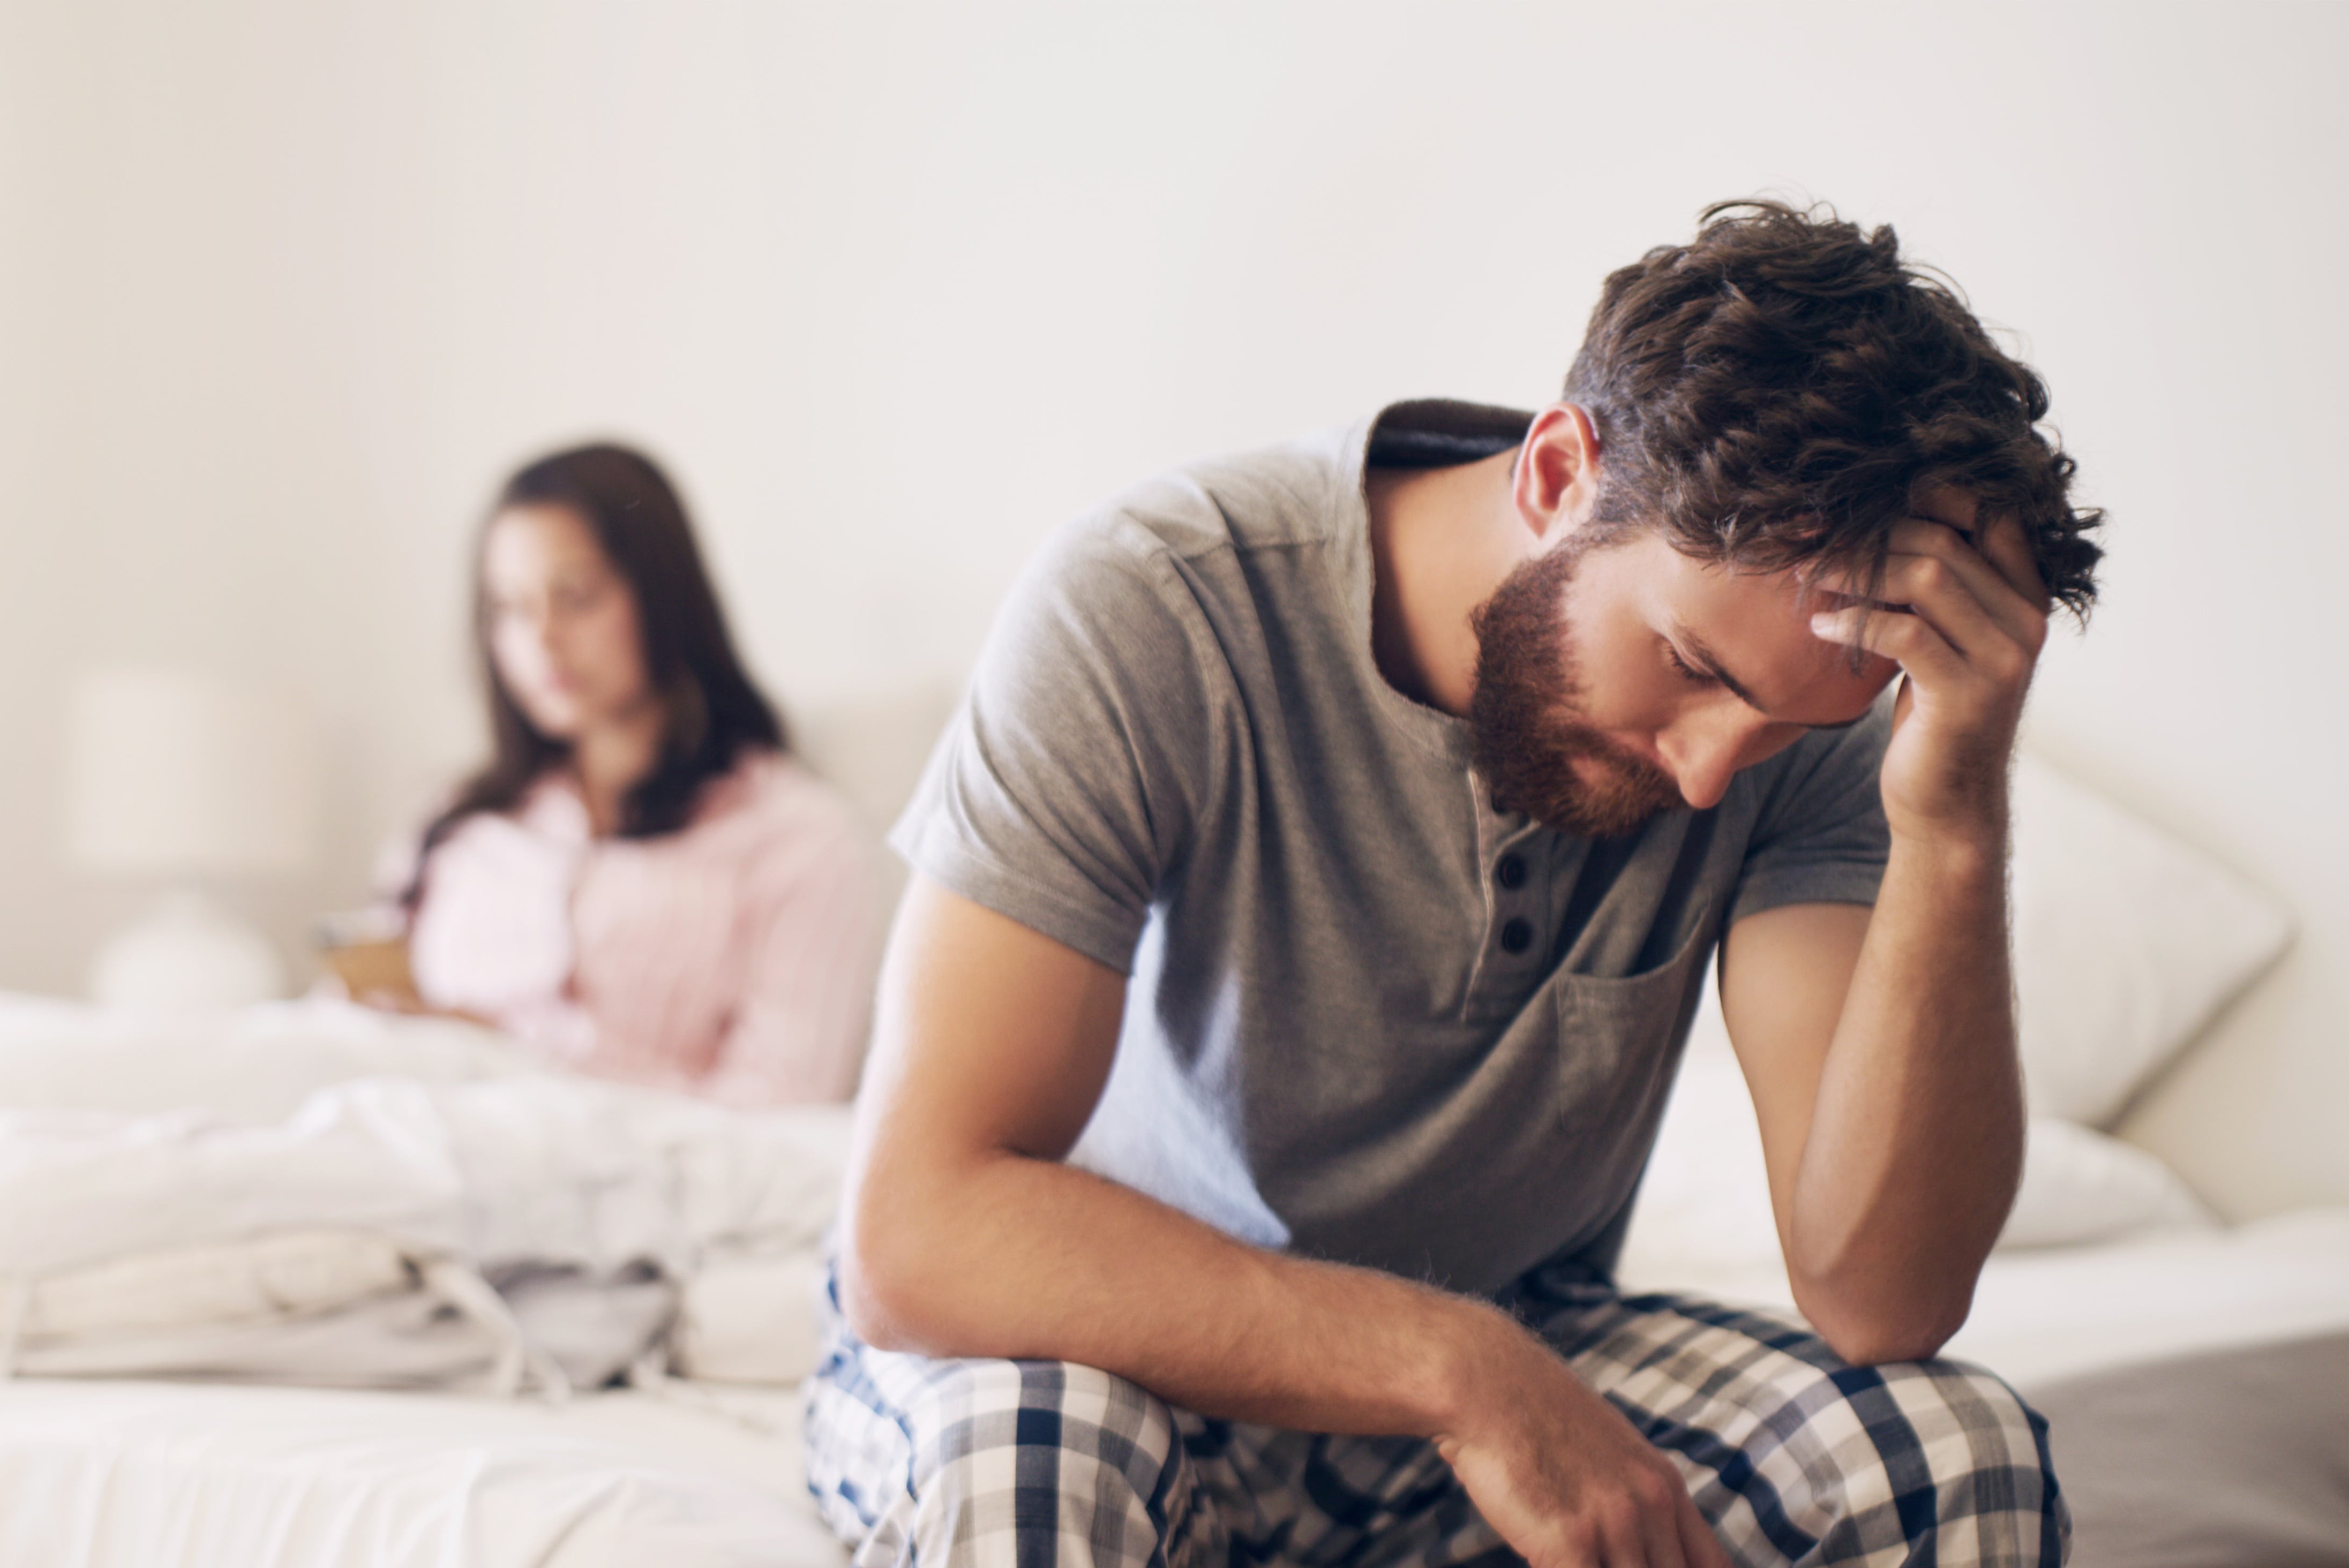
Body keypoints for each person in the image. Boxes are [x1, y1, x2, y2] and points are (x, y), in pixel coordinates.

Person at [807, 200, 2103, 1566]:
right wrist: (1462, 1370)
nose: (1716, 772)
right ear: (1556, 475)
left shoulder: (1796, 729)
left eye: (1790, 725)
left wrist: (1952, 817)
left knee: (1952, 1458)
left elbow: (1879, 1298)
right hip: (1098, 1346)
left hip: (1491, 1374)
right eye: (1692, 668)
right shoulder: (1152, 604)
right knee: (1037, 1465)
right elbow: (921, 1230)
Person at [332, 442, 882, 1106]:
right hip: (396, 1126)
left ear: (661, 595)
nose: (541, 640)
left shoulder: (799, 839)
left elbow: (778, 1112)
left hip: (598, 1178)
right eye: (508, 608)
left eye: (577, 597)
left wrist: (505, 1053)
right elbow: (350, 1024)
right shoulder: (451, 820)